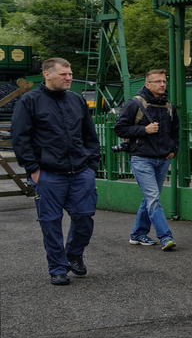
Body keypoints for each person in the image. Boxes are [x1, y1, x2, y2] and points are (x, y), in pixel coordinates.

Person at [12, 57, 101, 285]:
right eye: (63, 74)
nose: (69, 77)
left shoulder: (76, 100)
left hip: (81, 172)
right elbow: (20, 138)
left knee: (84, 217)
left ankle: (73, 253)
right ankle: (57, 268)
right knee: (50, 223)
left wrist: (92, 166)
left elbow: (90, 135)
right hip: (48, 174)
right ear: (47, 74)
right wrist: (33, 169)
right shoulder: (29, 101)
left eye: (70, 73)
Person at [114, 69, 180, 251]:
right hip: (141, 159)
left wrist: (173, 150)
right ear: (147, 84)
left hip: (162, 159)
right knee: (152, 199)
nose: (162, 84)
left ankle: (137, 234)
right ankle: (166, 237)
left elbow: (175, 132)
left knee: (151, 199)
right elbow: (119, 128)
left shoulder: (169, 106)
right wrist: (144, 130)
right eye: (157, 81)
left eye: (164, 81)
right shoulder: (135, 103)